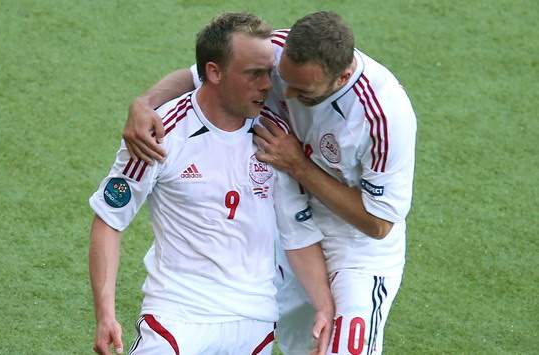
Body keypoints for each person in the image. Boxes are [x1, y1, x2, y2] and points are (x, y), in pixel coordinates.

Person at [122, 11, 417, 355]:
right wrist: (144, 104)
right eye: (284, 79)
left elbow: (380, 224)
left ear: (342, 77)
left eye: (302, 91)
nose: (285, 93)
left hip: (356, 246)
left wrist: (301, 167)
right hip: (288, 224)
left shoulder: (383, 115)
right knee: (295, 343)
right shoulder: (275, 53)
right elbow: (197, 77)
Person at [88, 12, 334, 355]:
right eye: (254, 74)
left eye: (269, 72)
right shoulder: (160, 134)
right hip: (177, 317)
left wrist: (323, 306)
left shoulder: (276, 140)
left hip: (254, 321)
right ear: (214, 72)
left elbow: (297, 232)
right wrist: (105, 314)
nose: (267, 85)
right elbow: (109, 220)